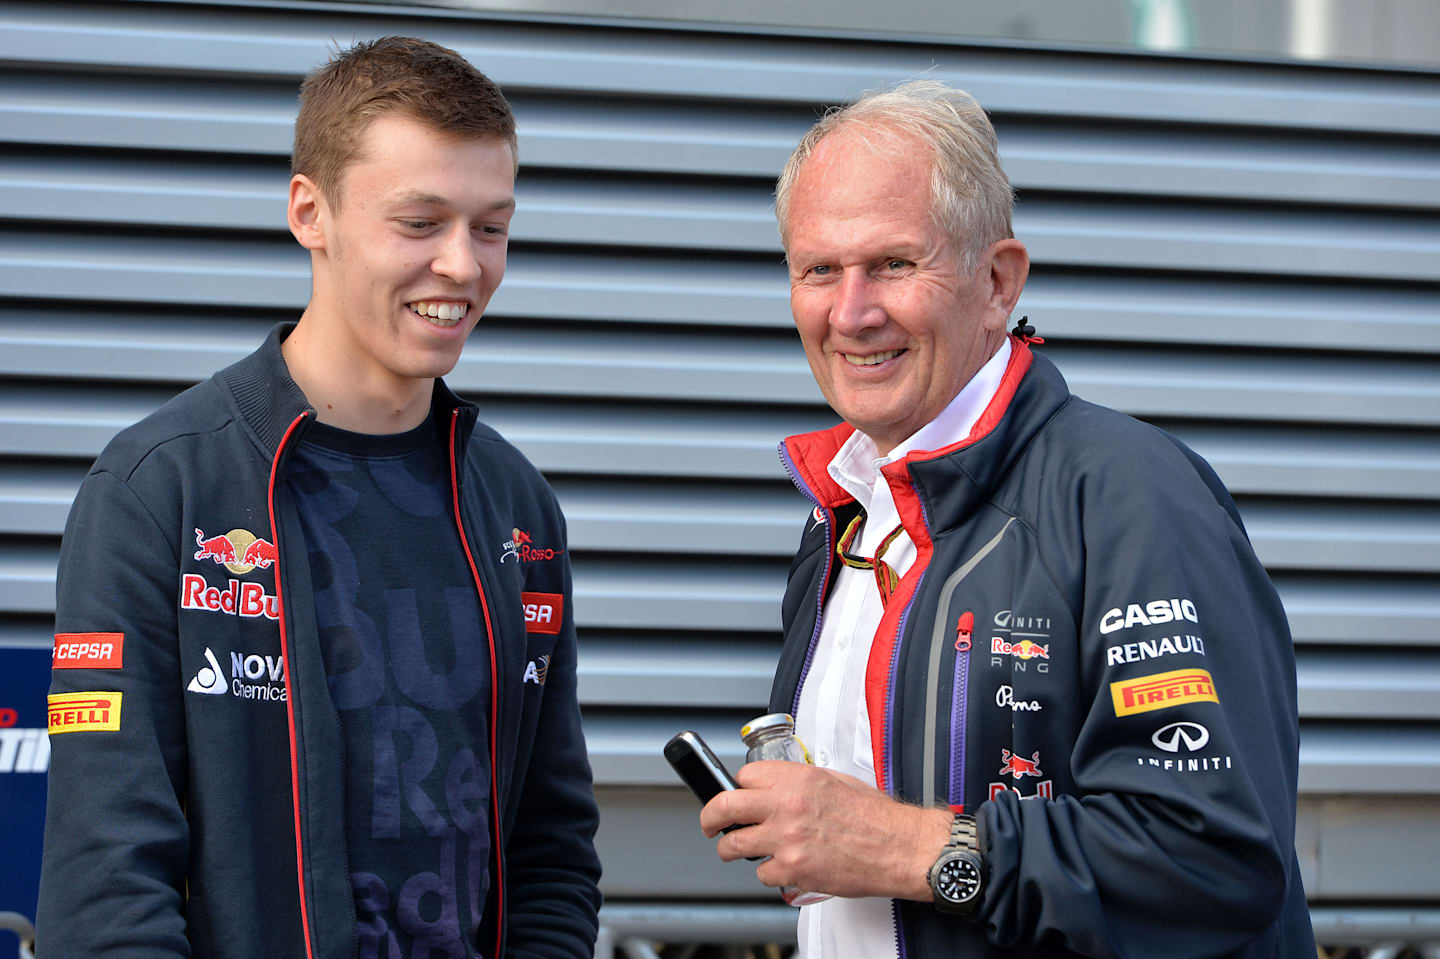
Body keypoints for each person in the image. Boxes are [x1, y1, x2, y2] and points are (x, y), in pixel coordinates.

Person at [699, 79, 1315, 958]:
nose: (851, 311)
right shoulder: (845, 513)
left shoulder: (1130, 495)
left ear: (997, 282)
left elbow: (1215, 859)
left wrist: (905, 847)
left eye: (895, 264)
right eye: (818, 270)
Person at [38, 36, 601, 958]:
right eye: (420, 223)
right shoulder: (159, 491)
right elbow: (107, 879)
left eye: (490, 226)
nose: (463, 266)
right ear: (312, 212)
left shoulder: (517, 507)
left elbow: (551, 850)